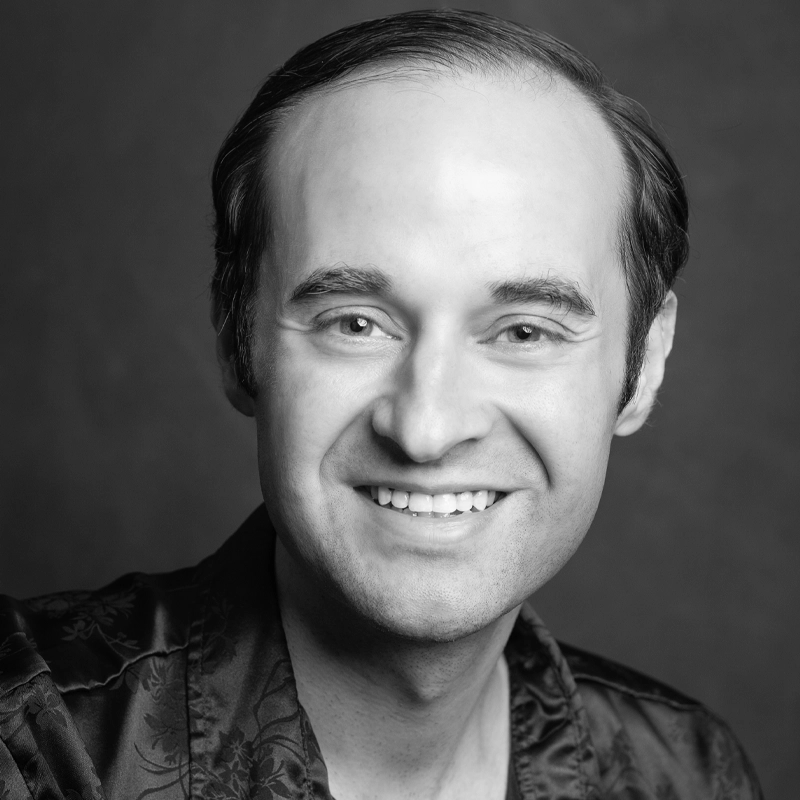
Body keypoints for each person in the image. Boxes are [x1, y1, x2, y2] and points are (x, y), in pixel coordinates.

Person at [0, 9, 762, 800]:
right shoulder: (31, 747)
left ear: (643, 365)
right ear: (237, 342)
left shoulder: (691, 772)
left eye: (525, 331)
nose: (426, 429)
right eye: (355, 323)